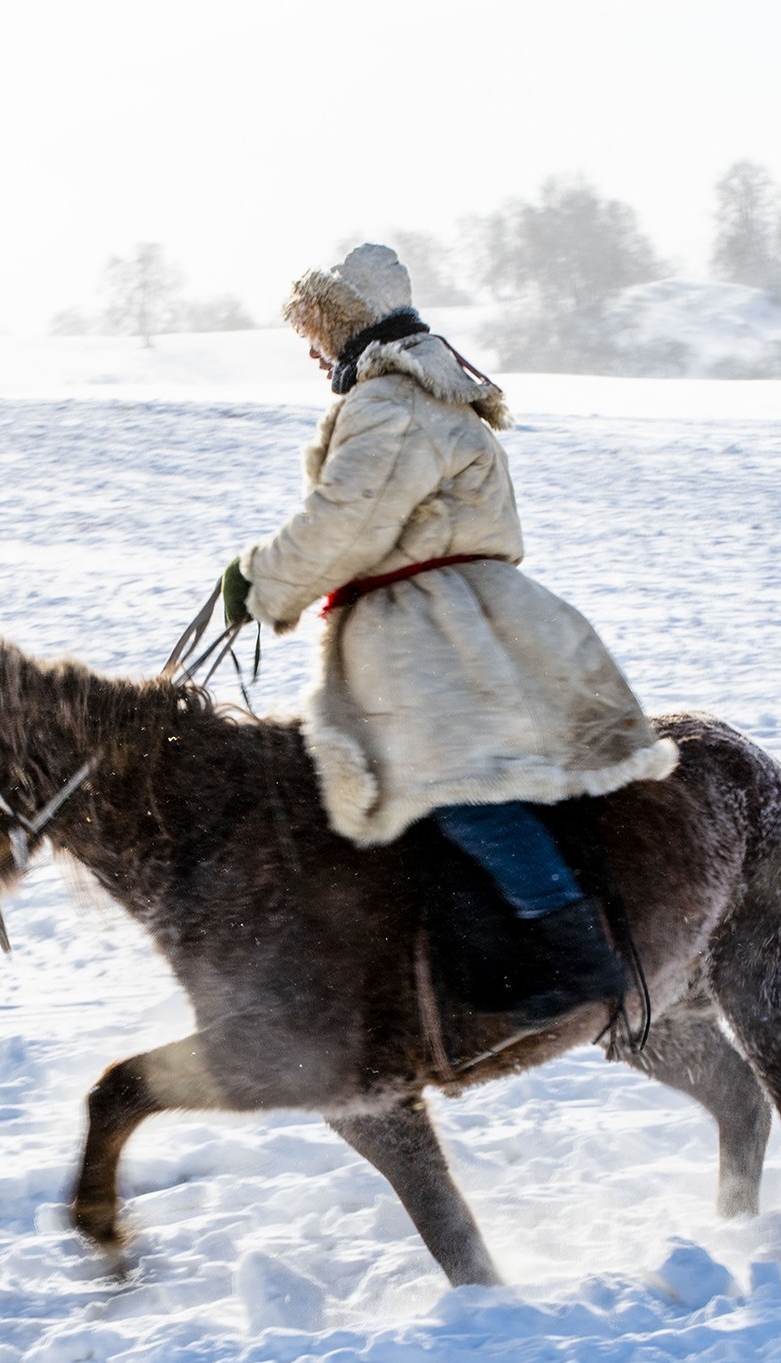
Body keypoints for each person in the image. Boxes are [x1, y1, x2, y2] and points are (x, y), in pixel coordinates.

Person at [222, 243, 677, 1032]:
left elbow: (345, 523)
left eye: (316, 332)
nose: (310, 351)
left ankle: (575, 952)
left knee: (458, 787)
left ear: (346, 324)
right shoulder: (420, 397)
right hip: (441, 619)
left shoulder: (391, 404)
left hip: (436, 630)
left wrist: (257, 580)